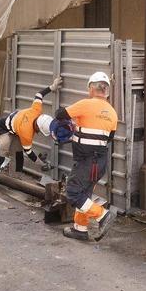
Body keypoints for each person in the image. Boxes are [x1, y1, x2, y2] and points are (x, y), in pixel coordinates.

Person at [56, 71, 118, 241]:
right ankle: (80, 229)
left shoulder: (85, 104)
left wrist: (73, 125)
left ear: (91, 88)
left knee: (74, 193)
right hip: (100, 162)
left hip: (85, 160)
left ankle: (103, 215)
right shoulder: (112, 113)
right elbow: (109, 138)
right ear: (106, 91)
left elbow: (59, 115)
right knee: (85, 193)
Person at [0, 75, 63, 197]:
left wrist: (52, 87)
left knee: (18, 155)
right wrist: (42, 164)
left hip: (15, 129)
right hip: (3, 129)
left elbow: (39, 94)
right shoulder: (26, 132)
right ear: (38, 128)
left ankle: (14, 179)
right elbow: (29, 153)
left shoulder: (37, 110)